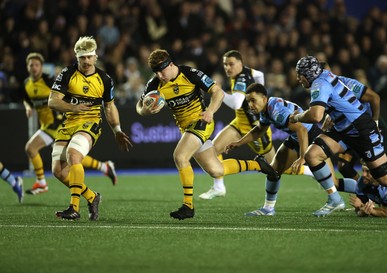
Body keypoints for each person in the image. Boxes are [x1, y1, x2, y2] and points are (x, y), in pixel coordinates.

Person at [136, 49, 277, 220]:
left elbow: (217, 92)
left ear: (171, 64)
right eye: (156, 72)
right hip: (187, 129)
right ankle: (257, 165)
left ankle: (188, 206)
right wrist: (146, 109)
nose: (160, 75)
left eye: (162, 70)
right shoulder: (154, 84)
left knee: (180, 157)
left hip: (201, 122)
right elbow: (139, 107)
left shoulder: (190, 74)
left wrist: (210, 111)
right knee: (216, 170)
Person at [289, 55, 387, 217]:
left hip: (361, 130)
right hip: (345, 130)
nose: (298, 78)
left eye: (300, 74)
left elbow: (315, 116)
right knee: (312, 155)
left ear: (308, 74)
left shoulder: (319, 84)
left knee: (385, 180)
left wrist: (297, 117)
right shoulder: (332, 77)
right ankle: (334, 199)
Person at [225, 83, 356, 216]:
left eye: (253, 100)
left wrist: (303, 157)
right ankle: (268, 208)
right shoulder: (267, 110)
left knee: (334, 183)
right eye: (248, 101)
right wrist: (239, 142)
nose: (250, 105)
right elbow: (259, 130)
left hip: (311, 137)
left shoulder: (276, 110)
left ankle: (366, 192)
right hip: (297, 138)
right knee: (273, 171)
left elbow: (302, 129)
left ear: (264, 98)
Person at [48, 36, 132, 221]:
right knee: (58, 171)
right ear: (77, 57)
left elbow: (109, 107)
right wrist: (73, 108)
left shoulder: (104, 79)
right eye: (82, 57)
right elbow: (52, 101)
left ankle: (74, 208)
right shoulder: (67, 73)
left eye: (89, 57)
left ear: (95, 57)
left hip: (91, 122)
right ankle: (92, 197)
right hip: (69, 122)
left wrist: (117, 130)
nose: (86, 61)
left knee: (73, 154)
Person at [23, 52, 119, 196]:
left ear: (42, 67)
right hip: (46, 126)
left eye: (37, 65)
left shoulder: (49, 81)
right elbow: (27, 99)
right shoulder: (27, 84)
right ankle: (103, 168)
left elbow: (60, 97)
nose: (34, 68)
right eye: (31, 65)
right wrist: (28, 107)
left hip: (58, 124)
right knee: (71, 157)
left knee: (38, 150)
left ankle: (42, 183)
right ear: (27, 67)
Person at [198, 50, 276, 200]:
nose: (227, 68)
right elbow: (259, 74)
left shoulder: (241, 79)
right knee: (214, 150)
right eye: (225, 64)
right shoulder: (248, 72)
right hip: (239, 123)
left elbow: (235, 103)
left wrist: (219, 91)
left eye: (231, 64)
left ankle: (312, 172)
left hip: (254, 128)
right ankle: (218, 187)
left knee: (277, 166)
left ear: (240, 63)